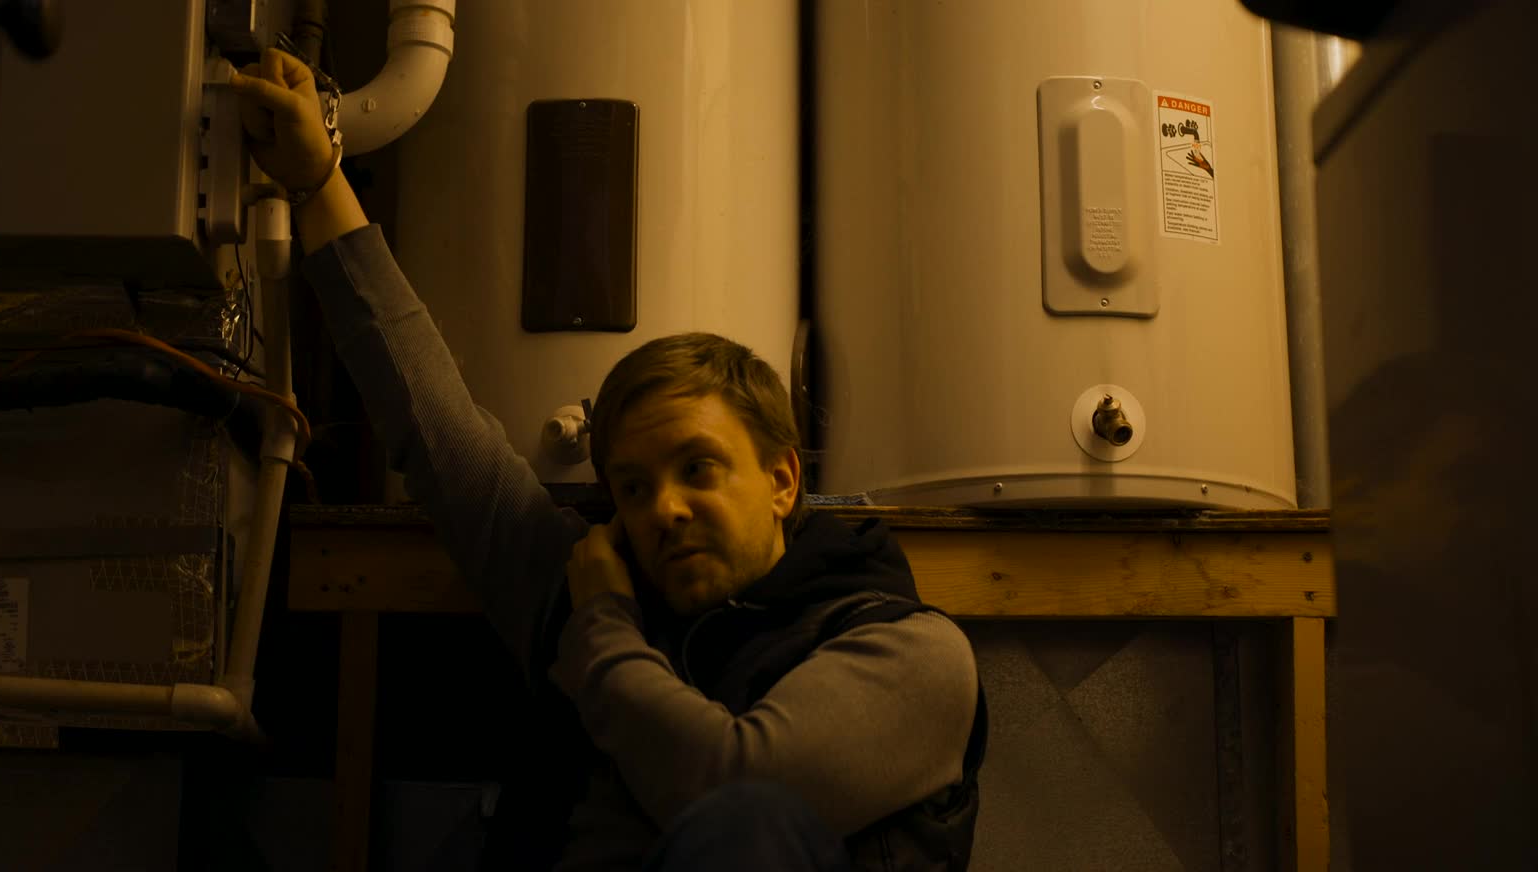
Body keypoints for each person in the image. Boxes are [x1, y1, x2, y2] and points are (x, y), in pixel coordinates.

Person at [232, 48, 987, 872]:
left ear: (781, 479)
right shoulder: (584, 580)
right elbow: (436, 429)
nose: (663, 508)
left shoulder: (905, 652)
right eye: (632, 486)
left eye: (698, 469)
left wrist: (601, 627)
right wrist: (318, 180)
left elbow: (730, 790)